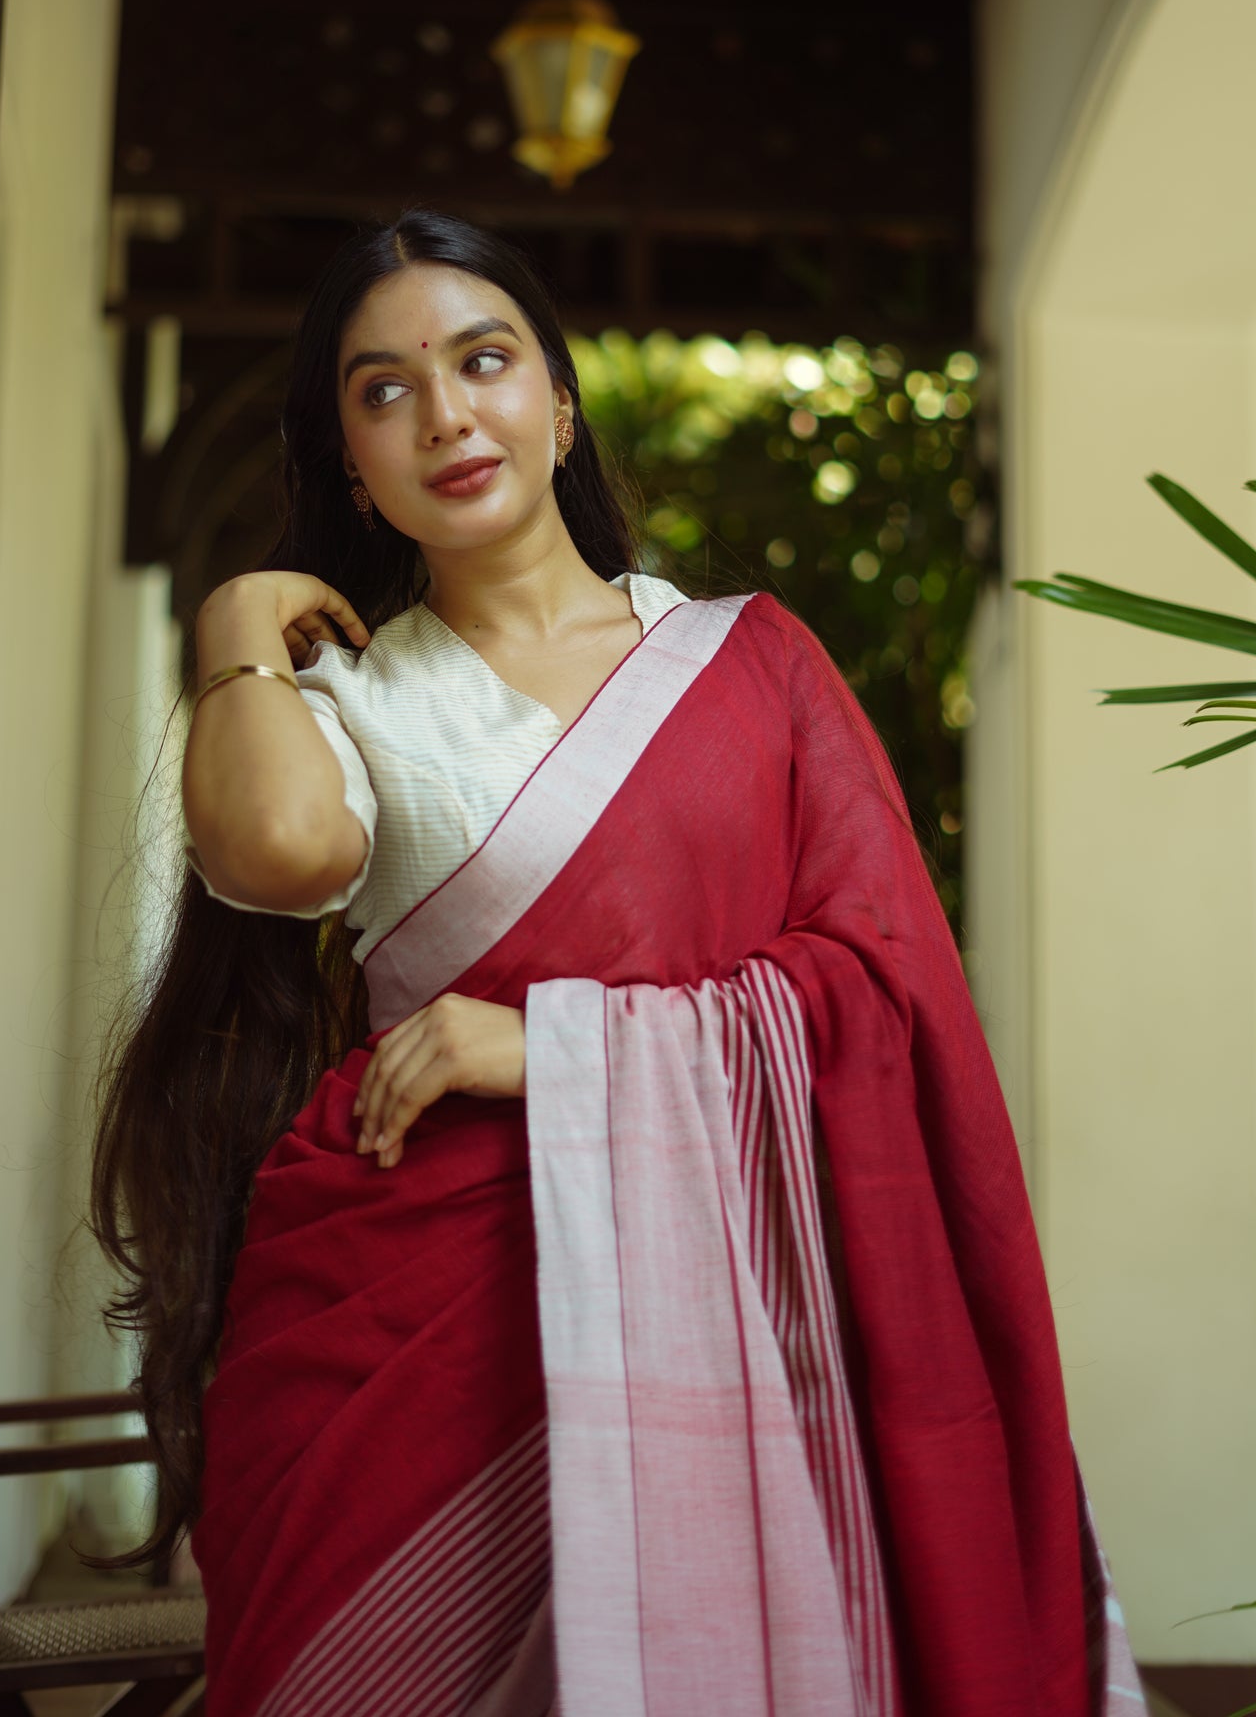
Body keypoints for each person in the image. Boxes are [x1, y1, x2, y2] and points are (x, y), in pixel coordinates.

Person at [93, 210, 1142, 1717]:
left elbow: (882, 983)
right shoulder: (362, 702)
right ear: (346, 458)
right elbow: (274, 854)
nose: (445, 413)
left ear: (558, 401)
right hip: (417, 1335)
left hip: (733, 1306)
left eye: (483, 360)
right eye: (382, 390)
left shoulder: (749, 661)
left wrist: (551, 1046)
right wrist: (234, 624)